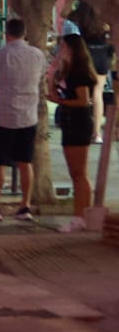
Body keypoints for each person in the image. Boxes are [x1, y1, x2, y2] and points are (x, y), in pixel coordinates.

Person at [0, 17, 45, 221]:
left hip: (3, 116)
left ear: (7, 34)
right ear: (24, 33)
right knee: (25, 161)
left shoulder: (1, 54)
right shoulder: (37, 55)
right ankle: (25, 206)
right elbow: (41, 77)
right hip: (28, 116)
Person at [52, 34, 100, 229]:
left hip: (78, 122)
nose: (60, 50)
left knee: (79, 173)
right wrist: (53, 72)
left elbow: (82, 100)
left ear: (72, 49)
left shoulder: (79, 73)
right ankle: (80, 214)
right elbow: (53, 92)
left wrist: (62, 102)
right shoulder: (68, 70)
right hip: (70, 122)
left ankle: (81, 216)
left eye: (63, 46)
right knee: (75, 173)